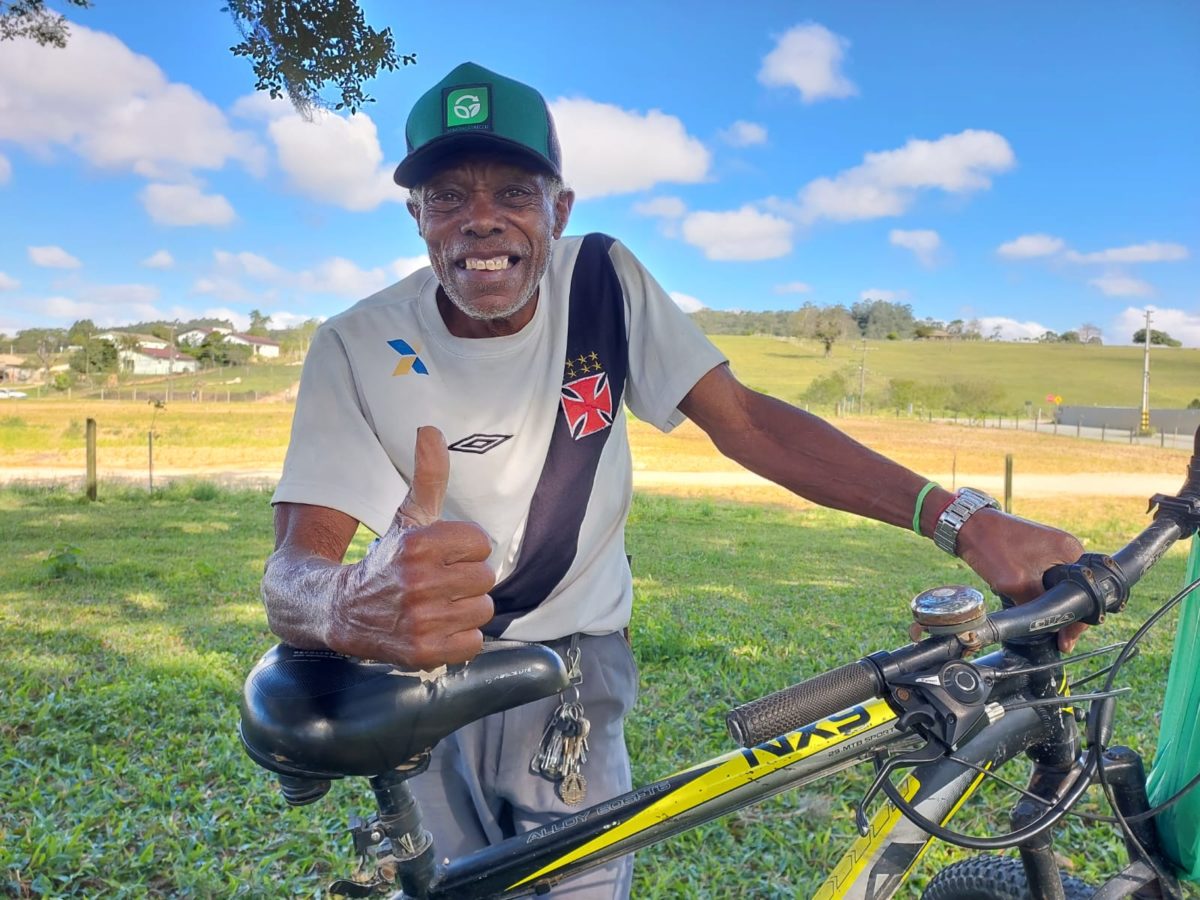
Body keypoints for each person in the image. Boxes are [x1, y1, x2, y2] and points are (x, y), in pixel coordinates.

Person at [260, 61, 1084, 898]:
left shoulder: (603, 282)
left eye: (513, 192)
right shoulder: (354, 343)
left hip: (572, 667)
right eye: (446, 196)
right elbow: (293, 570)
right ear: (415, 218)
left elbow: (750, 424)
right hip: (420, 679)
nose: (480, 220)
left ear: (560, 209)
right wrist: (346, 603)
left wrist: (967, 522)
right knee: (451, 885)